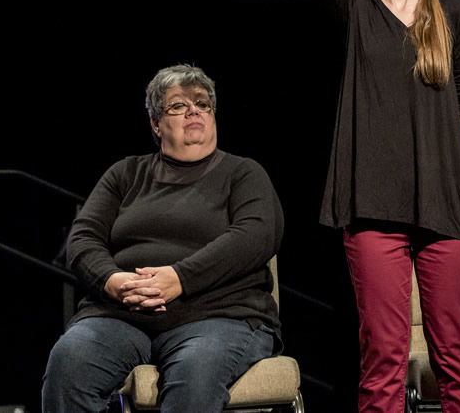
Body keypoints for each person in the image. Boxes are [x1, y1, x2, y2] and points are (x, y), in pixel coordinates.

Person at [282, 0, 460, 413]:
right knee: (382, 361)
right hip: (373, 206)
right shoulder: (356, 6)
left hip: (448, 208)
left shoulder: (455, 14)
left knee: (457, 360)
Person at [42, 63, 283, 413]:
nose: (193, 111)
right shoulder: (125, 174)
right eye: (178, 106)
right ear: (156, 123)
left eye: (202, 104)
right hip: (122, 314)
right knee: (69, 364)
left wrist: (179, 278)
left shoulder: (242, 173)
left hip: (219, 315)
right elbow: (83, 238)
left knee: (195, 376)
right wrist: (114, 282)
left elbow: (255, 235)